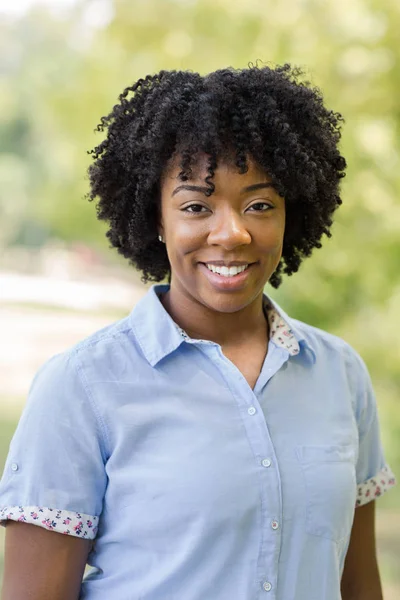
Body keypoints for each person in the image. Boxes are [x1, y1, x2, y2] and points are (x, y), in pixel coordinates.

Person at [0, 64, 396, 600]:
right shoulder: (81, 387)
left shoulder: (340, 373)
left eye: (260, 205)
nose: (232, 233)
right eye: (195, 206)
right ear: (155, 217)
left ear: (290, 213)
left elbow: (358, 583)